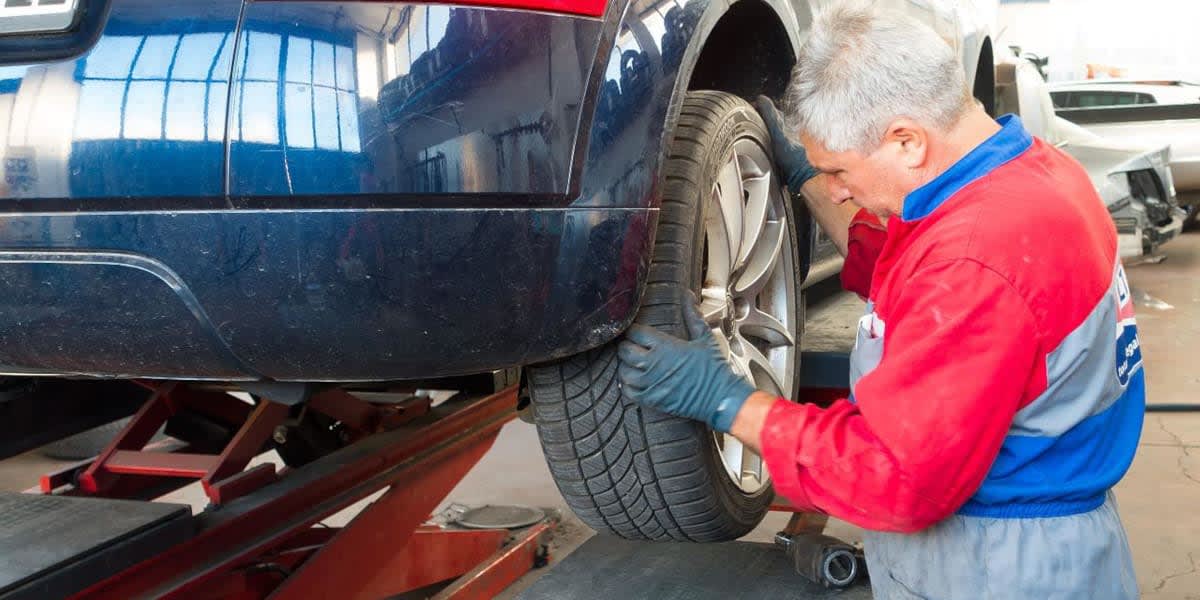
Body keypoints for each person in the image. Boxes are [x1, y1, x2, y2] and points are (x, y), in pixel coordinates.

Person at [615, 1, 1143, 597]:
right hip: (1026, 541)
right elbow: (913, 268)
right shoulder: (1032, 175)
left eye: (838, 171)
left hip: (999, 566)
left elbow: (895, 478)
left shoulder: (976, 259)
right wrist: (806, 178)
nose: (838, 193)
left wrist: (729, 403)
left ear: (907, 141)